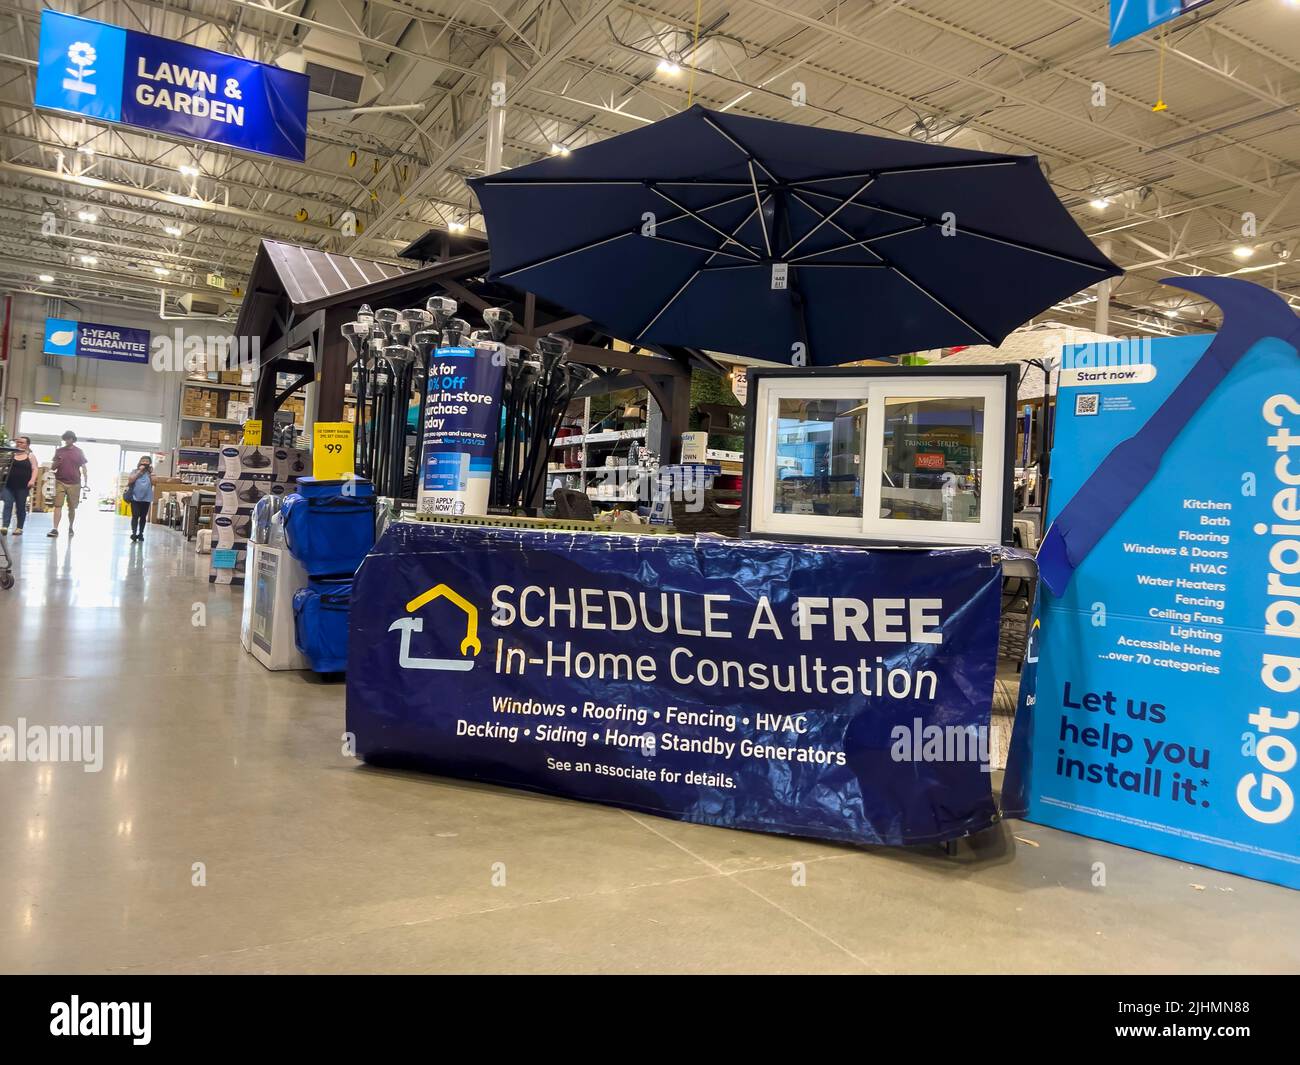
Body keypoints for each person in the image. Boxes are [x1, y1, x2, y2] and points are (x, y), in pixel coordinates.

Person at [48, 430, 88, 538]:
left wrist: (86, 481)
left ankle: (70, 526)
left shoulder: (79, 451)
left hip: (75, 483)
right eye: (65, 439)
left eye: (69, 439)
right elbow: (53, 467)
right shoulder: (59, 451)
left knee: (71, 507)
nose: (67, 441)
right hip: (60, 481)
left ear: (73, 439)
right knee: (58, 505)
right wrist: (57, 462)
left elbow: (84, 467)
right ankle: (55, 529)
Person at [1, 435, 37, 536]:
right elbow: (3, 466)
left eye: (22, 442)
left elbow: (35, 469)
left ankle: (19, 527)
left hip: (23, 486)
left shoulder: (30, 456)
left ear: (27, 445)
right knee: (8, 504)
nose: (19, 444)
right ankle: (5, 526)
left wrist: (32, 480)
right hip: (9, 485)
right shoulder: (11, 454)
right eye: (18, 442)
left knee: (20, 506)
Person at [126, 456, 154, 542]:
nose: (145, 463)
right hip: (135, 497)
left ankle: (141, 533)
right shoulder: (135, 471)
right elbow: (130, 480)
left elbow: (155, 482)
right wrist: (139, 472)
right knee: (135, 515)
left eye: (147, 461)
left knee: (143, 517)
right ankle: (134, 533)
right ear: (139, 462)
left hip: (146, 498)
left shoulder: (150, 473)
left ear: (149, 463)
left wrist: (151, 474)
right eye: (143, 461)